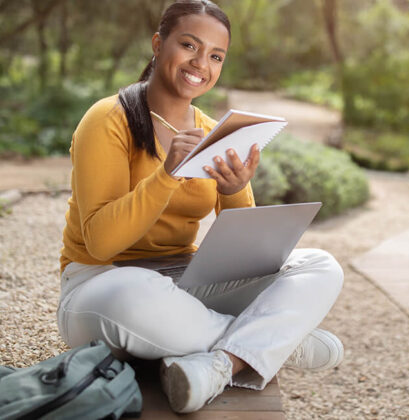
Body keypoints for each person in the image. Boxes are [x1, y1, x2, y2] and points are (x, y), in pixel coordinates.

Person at [57, 0, 344, 414]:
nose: (200, 63)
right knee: (134, 294)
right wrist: (167, 175)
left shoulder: (216, 133)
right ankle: (277, 343)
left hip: (186, 285)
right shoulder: (108, 119)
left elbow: (245, 254)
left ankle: (221, 364)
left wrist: (237, 189)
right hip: (102, 286)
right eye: (189, 45)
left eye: (215, 56)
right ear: (158, 44)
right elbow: (101, 244)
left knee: (321, 264)